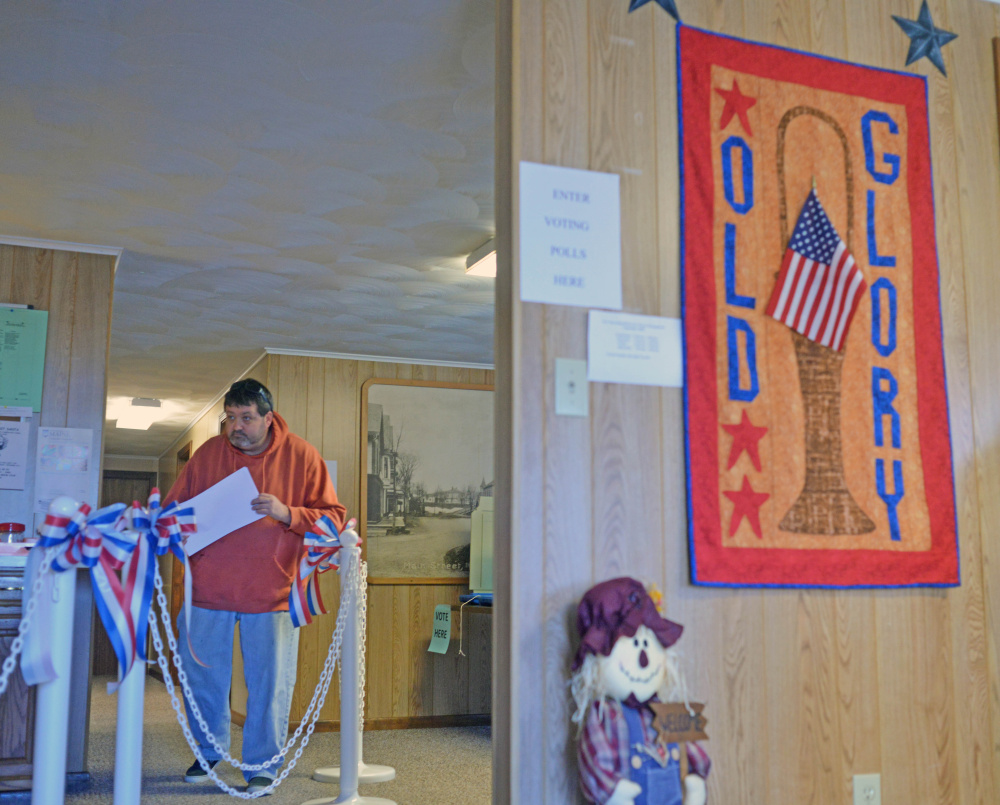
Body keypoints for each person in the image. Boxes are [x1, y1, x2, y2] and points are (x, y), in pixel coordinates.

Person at [164, 378, 346, 795]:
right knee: (202, 677)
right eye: (230, 418)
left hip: (272, 592)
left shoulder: (302, 456)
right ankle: (208, 752)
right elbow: (175, 511)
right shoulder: (208, 453)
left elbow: (334, 518)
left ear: (268, 418)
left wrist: (289, 513)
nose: (236, 427)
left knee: (270, 683)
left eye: (246, 418)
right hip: (208, 589)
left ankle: (263, 764)